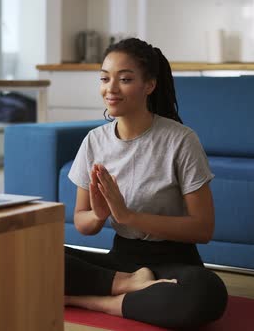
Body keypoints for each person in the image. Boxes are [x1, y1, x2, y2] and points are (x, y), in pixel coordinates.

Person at [64, 38, 228, 329]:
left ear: (149, 85)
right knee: (33, 254)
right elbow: (82, 222)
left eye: (125, 79)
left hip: (174, 260)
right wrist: (100, 214)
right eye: (105, 78)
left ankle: (92, 300)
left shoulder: (181, 140)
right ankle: (126, 284)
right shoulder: (95, 141)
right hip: (121, 260)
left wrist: (129, 216)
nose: (110, 89)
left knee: (206, 293)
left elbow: (203, 228)